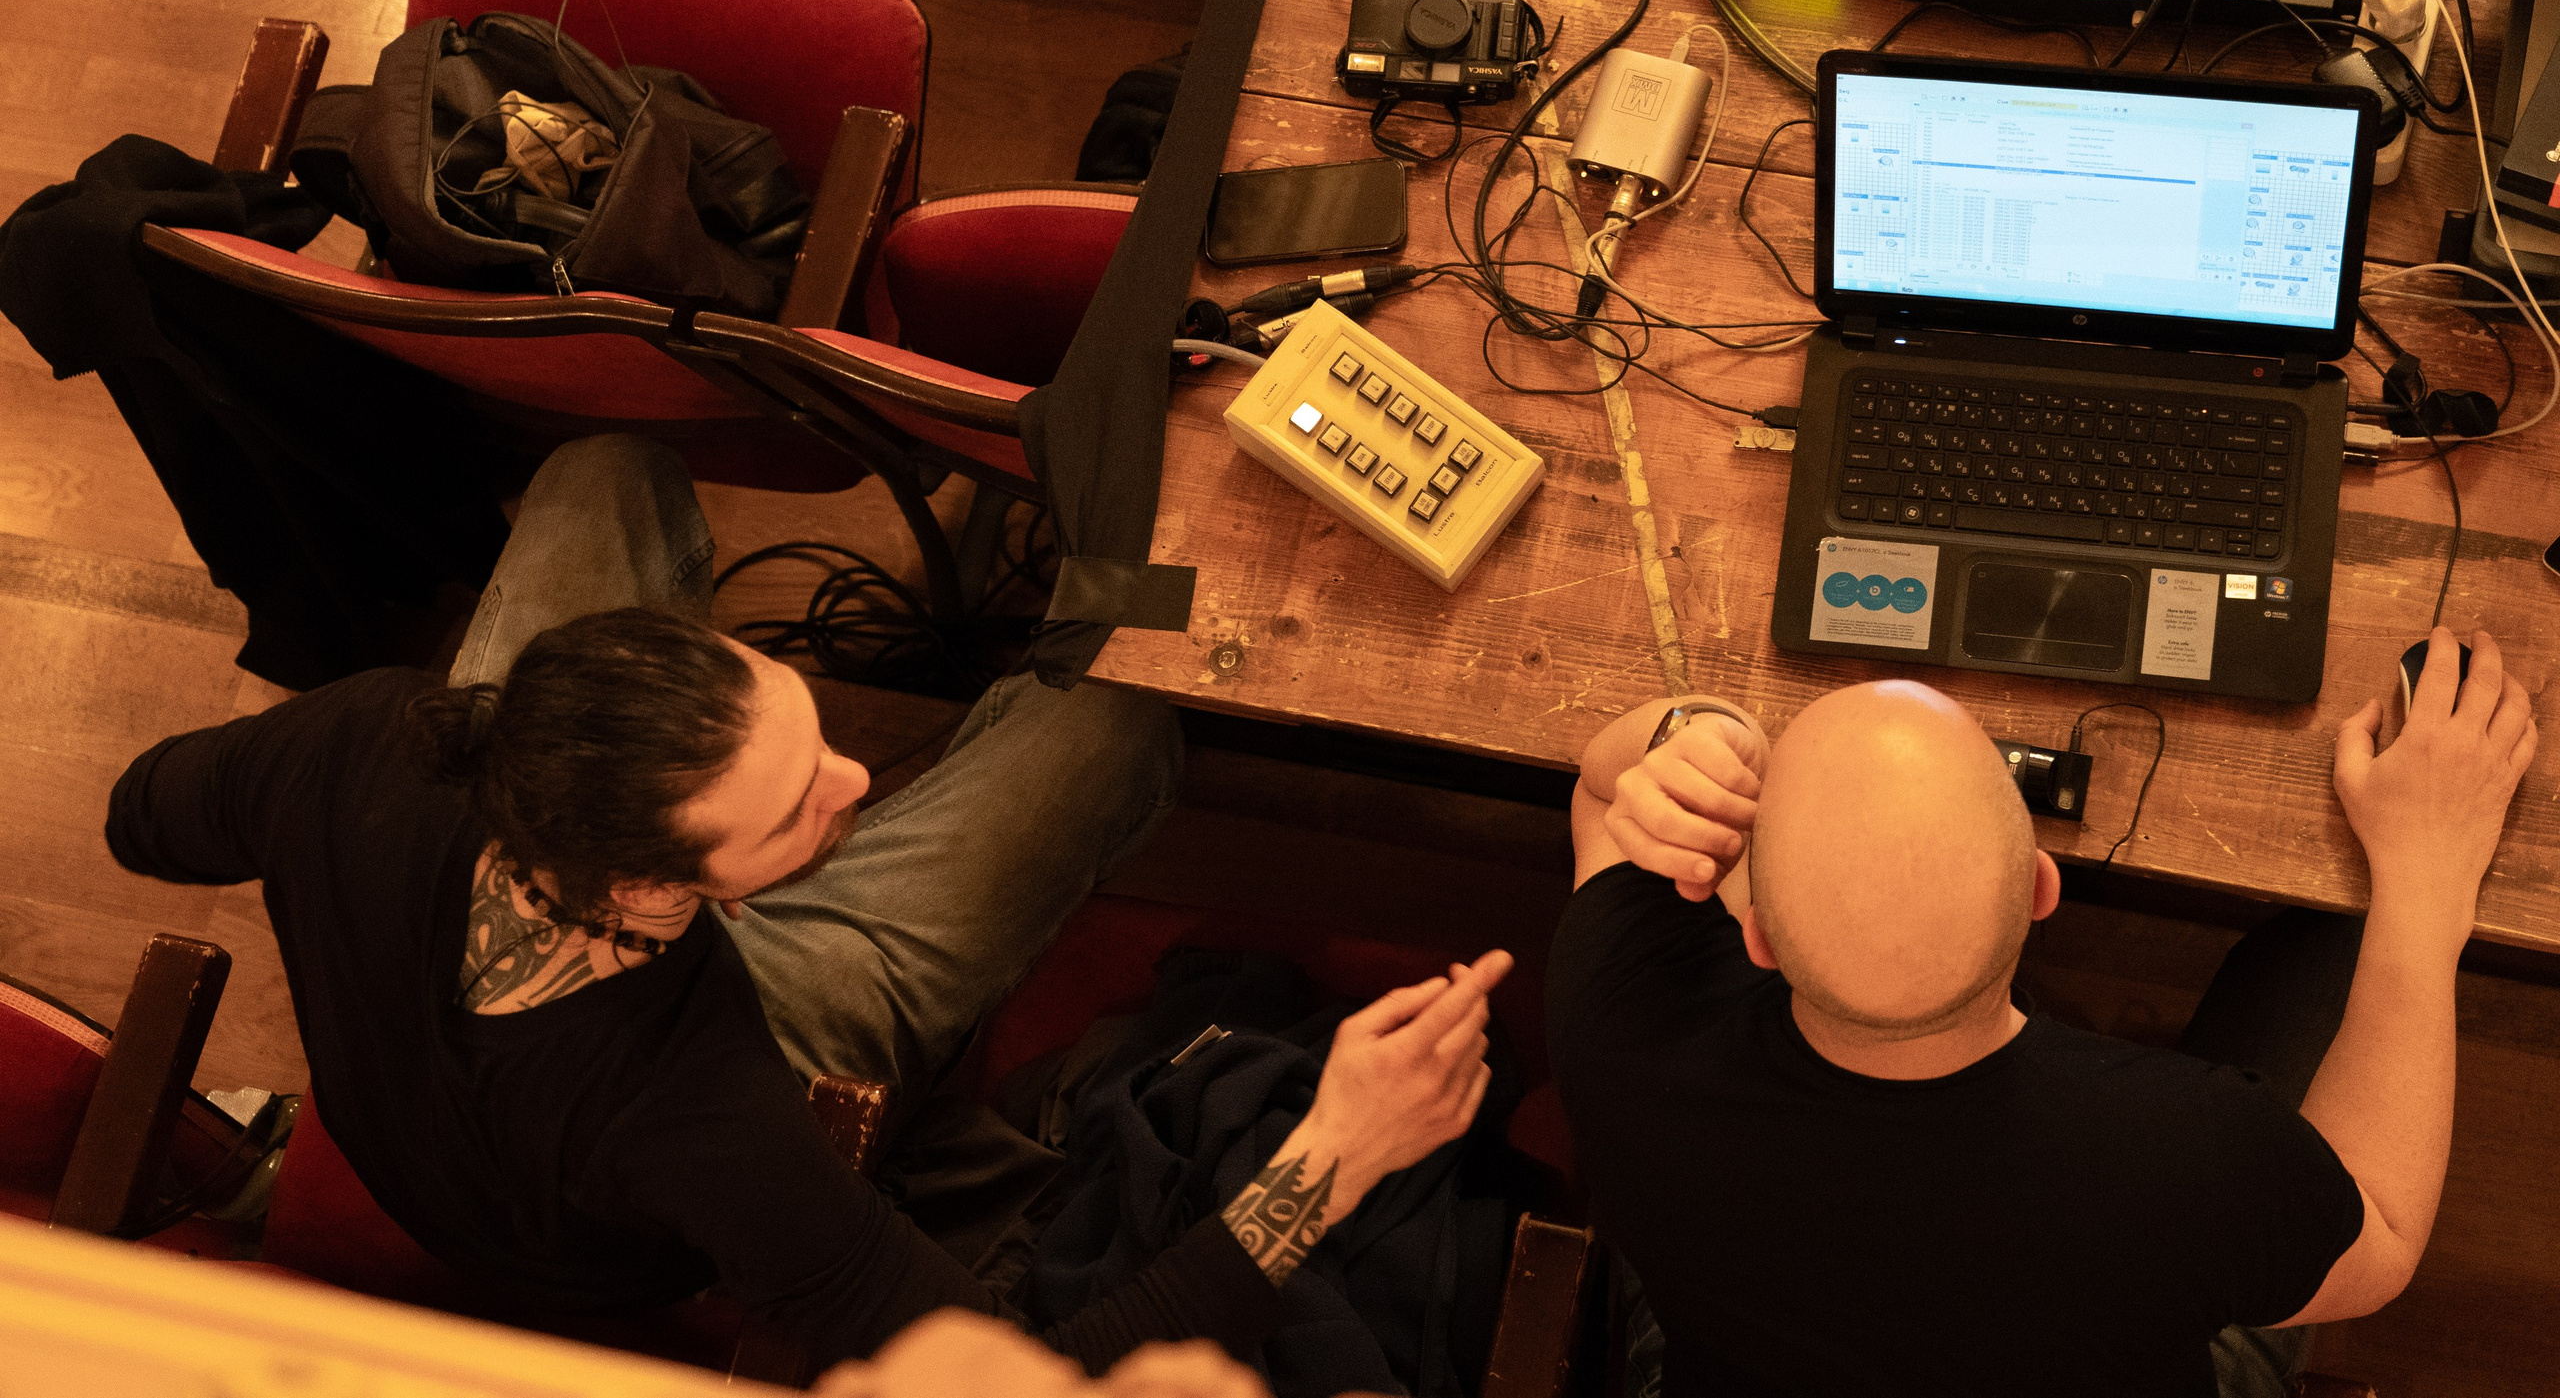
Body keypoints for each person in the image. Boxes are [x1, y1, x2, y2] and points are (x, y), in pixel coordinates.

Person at [107, 434, 1513, 1383]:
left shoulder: (363, 739)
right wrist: (1338, 1145)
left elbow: (140, 815)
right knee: (1116, 729)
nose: (854, 777)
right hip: (597, 1194)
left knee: (606, 468)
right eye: (796, 814)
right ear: (655, 885)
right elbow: (1032, 1381)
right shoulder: (709, 1112)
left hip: (429, 1099)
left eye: (805, 731)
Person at [1549, 628, 2537, 1398]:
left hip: (1743, 1342)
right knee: (2328, 946)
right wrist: (2424, 874)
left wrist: (1694, 732)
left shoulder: (1623, 1032)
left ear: (1755, 936)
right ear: (2040, 888)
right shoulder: (2189, 1154)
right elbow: (2382, 1237)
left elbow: (1603, 797)